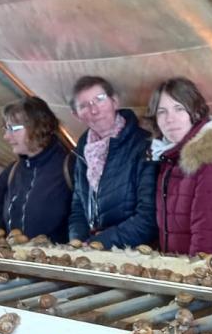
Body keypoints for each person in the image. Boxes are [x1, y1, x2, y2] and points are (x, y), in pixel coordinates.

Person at [148, 78, 212, 255]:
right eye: (162, 112)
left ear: (194, 111)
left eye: (179, 109)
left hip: (196, 271)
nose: (170, 119)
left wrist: (196, 272)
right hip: (176, 267)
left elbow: (208, 228)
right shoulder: (168, 154)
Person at [67, 76, 157, 248]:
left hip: (133, 254)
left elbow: (148, 218)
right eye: (84, 105)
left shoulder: (143, 145)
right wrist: (77, 242)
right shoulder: (83, 150)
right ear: (76, 115)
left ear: (115, 101)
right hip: (91, 252)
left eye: (99, 99)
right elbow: (78, 208)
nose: (94, 110)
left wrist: (102, 242)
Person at [0, 97, 73, 243]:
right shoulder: (10, 173)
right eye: (5, 128)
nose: (6, 136)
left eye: (13, 129)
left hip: (56, 263)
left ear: (38, 127)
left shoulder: (69, 168)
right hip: (14, 263)